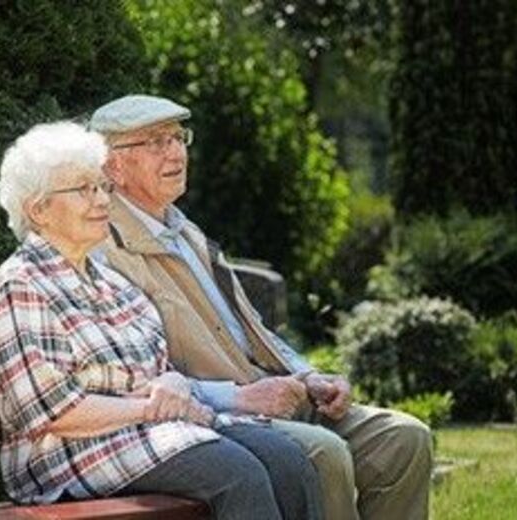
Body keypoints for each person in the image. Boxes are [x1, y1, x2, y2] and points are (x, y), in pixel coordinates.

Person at [90, 94, 433, 520]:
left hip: (276, 394)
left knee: (405, 438)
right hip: (220, 416)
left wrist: (309, 375)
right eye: (155, 142)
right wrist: (244, 397)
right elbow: (138, 379)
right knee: (324, 454)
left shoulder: (185, 229)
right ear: (112, 165)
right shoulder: (104, 250)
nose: (176, 151)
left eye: (179, 137)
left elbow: (252, 329)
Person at [0, 121, 324, 520]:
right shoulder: (21, 285)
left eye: (102, 186)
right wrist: (151, 407)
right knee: (240, 475)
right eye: (84, 189)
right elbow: (53, 412)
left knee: (288, 461)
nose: (101, 200)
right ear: (38, 210)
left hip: (151, 429)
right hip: (67, 452)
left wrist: (170, 384)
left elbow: (159, 370)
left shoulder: (113, 283)